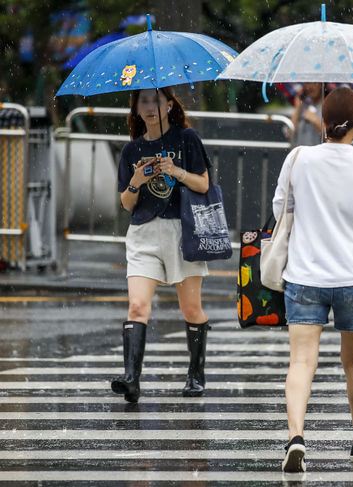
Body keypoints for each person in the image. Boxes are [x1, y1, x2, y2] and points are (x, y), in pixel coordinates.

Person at [273, 87, 353, 472]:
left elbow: (281, 211)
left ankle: (296, 437)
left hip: (305, 274)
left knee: (301, 361)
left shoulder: (298, 159)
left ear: (321, 121)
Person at [111, 87, 213, 403]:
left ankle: (196, 374)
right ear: (137, 108)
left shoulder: (187, 139)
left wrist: (176, 171)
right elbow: (126, 203)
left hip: (183, 231)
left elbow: (204, 183)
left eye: (156, 101)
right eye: (144, 101)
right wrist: (136, 182)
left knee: (191, 308)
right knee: (138, 306)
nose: (151, 107)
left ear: (169, 105)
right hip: (143, 234)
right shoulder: (131, 151)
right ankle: (131, 380)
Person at [290, 82, 323, 146]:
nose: (310, 87)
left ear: (322, 85)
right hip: (300, 154)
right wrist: (298, 107)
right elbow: (289, 134)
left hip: (318, 154)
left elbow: (332, 139)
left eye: (315, 83)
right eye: (307, 83)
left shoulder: (329, 107)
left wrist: (316, 122)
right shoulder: (302, 107)